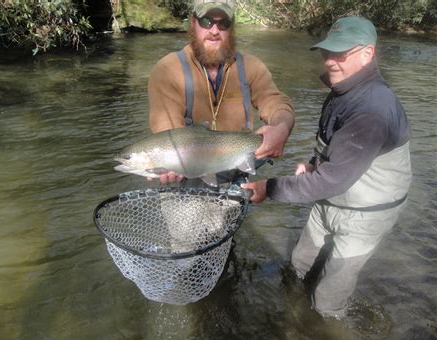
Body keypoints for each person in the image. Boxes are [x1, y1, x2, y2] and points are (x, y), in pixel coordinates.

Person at [242, 16, 412, 318]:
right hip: (330, 199)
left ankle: (325, 335)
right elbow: (334, 153)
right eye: (327, 52)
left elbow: (331, 181)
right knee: (298, 266)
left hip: (366, 217)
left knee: (327, 301)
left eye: (340, 52)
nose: (330, 61)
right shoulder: (343, 91)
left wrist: (268, 188)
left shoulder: (373, 110)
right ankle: (291, 317)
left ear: (367, 53)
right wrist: (311, 165)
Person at [147, 0, 295, 184]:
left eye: (223, 23)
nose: (215, 31)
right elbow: (166, 127)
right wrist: (171, 161)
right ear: (193, 23)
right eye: (206, 21)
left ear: (231, 27)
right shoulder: (168, 69)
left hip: (236, 178)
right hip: (185, 181)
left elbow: (275, 103)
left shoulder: (251, 67)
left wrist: (281, 128)